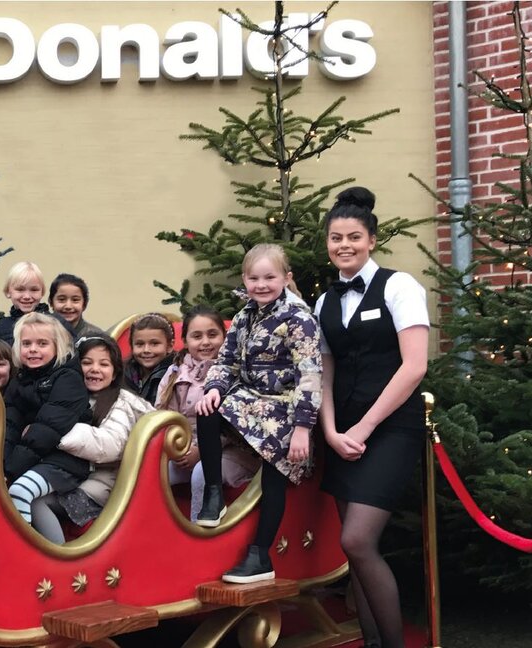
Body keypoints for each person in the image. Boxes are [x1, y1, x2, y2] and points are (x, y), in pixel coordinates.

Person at [315, 187, 428, 648]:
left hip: (390, 430)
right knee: (355, 553)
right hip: (342, 434)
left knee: (358, 541)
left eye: (354, 237)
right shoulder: (324, 302)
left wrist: (364, 428)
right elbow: (324, 372)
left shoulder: (400, 287)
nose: (344, 245)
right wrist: (330, 431)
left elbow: (414, 366)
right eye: (336, 238)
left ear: (372, 240)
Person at [195, 244, 322, 583]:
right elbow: (226, 361)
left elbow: (309, 376)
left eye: (269, 277)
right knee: (208, 409)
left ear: (286, 278)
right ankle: (213, 494)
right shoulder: (245, 316)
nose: (261, 285)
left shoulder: (299, 319)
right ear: (244, 279)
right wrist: (214, 388)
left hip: (286, 406)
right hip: (251, 399)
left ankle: (260, 555)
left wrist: (302, 428)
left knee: (274, 471)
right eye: (254, 278)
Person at [30, 335, 154, 543]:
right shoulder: (71, 395)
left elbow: (109, 446)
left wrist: (56, 433)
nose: (94, 369)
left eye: (103, 364)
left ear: (115, 373)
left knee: (36, 502)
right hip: (70, 476)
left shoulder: (121, 403)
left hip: (98, 488)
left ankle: (59, 555)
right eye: (87, 363)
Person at [157, 305, 259, 521]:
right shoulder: (175, 372)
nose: (205, 342)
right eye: (197, 336)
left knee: (201, 474)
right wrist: (179, 449)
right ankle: (156, 528)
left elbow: (237, 425)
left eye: (212, 335)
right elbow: (164, 415)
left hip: (232, 451)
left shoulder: (234, 372)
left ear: (225, 337)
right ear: (185, 341)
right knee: (156, 472)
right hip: (186, 449)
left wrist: (200, 451)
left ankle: (198, 527)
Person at [4, 312, 92, 525]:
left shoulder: (68, 379)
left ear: (57, 346)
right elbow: (10, 426)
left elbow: (47, 429)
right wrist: (2, 466)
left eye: (42, 343)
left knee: (19, 490)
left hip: (65, 461)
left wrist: (11, 470)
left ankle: (21, 545)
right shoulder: (20, 381)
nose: (33, 349)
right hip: (35, 458)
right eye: (26, 343)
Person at [0, 261, 74, 345]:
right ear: (8, 291)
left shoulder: (59, 324)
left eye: (34, 290)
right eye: (20, 289)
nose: (27, 296)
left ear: (42, 292)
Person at [123, 313, 175, 404]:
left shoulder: (176, 374)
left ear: (169, 346)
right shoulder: (122, 373)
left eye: (154, 343)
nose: (146, 350)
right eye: (140, 344)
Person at [48, 273, 106, 339]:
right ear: (51, 302)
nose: (68, 306)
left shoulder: (96, 336)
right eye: (62, 299)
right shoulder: (42, 332)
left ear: (84, 304)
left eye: (75, 300)